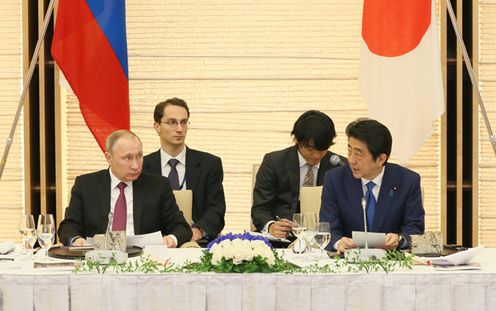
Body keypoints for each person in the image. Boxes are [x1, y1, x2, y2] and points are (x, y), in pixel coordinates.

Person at [58, 130, 192, 247]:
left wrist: (171, 239)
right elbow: (68, 226)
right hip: (99, 260)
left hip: (144, 260)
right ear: (108, 157)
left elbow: (182, 227)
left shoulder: (158, 186)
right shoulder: (86, 185)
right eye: (127, 158)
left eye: (139, 156)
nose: (135, 165)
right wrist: (76, 240)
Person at [320, 118, 425, 254]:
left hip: (391, 264)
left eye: (358, 154)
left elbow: (415, 228)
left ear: (381, 159)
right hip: (347, 262)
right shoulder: (334, 179)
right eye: (349, 151)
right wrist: (338, 242)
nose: (351, 160)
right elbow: (327, 228)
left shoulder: (407, 181)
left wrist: (399, 240)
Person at [251, 110, 346, 239]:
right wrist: (271, 226)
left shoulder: (339, 166)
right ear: (296, 140)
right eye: (310, 149)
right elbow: (260, 208)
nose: (316, 155)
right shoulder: (274, 162)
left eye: (322, 150)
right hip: (283, 239)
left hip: (324, 239)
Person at [143, 98, 226, 243]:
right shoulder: (142, 167)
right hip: (156, 244)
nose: (180, 129)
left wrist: (197, 231)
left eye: (184, 122)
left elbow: (216, 210)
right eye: (172, 122)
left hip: (196, 243)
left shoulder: (209, 164)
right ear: (157, 126)